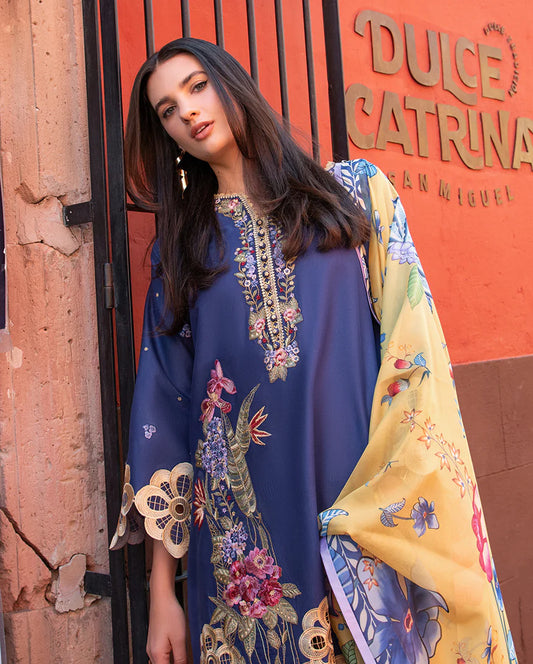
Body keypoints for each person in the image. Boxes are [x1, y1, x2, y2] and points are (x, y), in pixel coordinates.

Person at [111, 38, 516, 664]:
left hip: (367, 514)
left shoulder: (353, 195)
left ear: (231, 84)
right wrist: (163, 592)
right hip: (248, 559)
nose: (186, 112)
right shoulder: (181, 253)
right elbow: (164, 420)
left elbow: (413, 351)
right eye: (166, 110)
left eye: (196, 86)